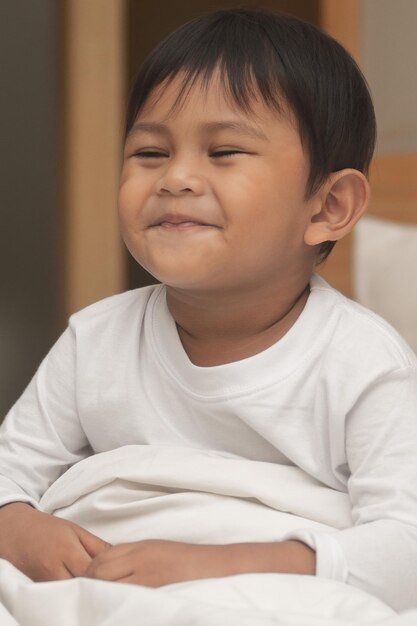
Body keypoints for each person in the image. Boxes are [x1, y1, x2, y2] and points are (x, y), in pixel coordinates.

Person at [0, 7, 416, 611]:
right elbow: (9, 475)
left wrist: (217, 565)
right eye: (149, 152)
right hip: (105, 585)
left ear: (328, 207)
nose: (177, 177)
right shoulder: (96, 340)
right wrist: (20, 526)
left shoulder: (363, 363)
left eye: (223, 151)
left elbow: (405, 548)